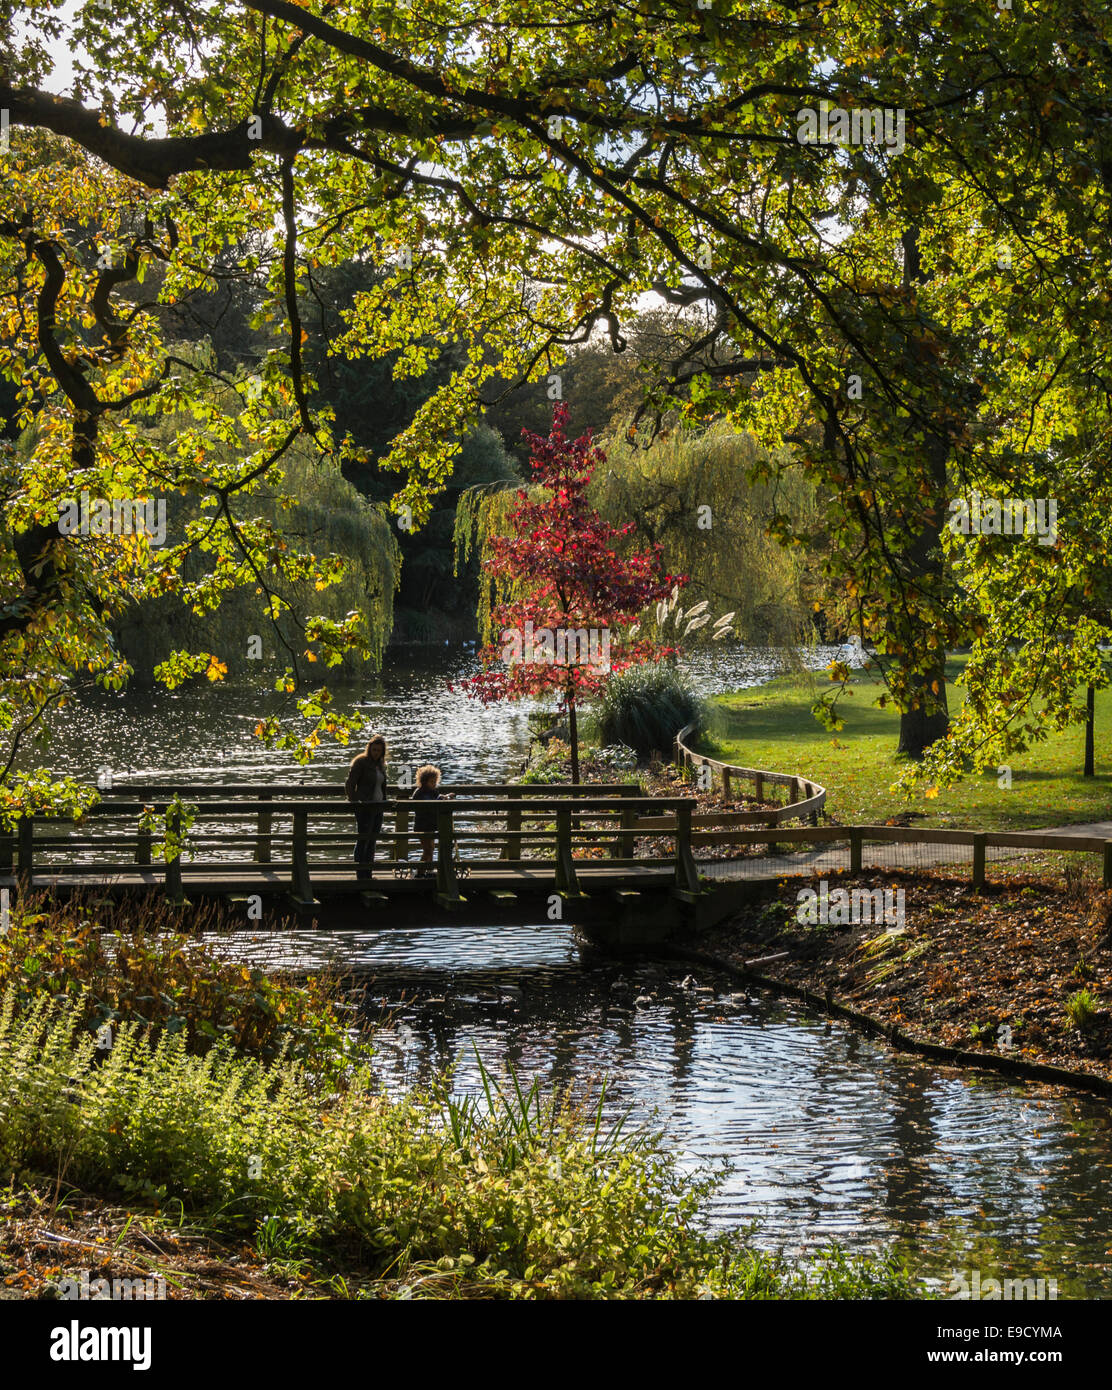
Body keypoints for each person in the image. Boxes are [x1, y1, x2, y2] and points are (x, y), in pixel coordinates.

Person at [345, 734, 389, 880]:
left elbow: (382, 786)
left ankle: (368, 873)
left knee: (373, 840)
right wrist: (354, 803)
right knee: (363, 838)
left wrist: (385, 800)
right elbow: (350, 784)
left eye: (379, 750)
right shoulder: (361, 762)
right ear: (369, 749)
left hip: (378, 807)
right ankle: (360, 873)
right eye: (374, 750)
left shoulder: (381, 765)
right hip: (364, 807)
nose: (376, 753)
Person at [411, 765, 450, 875]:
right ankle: (420, 872)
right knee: (427, 849)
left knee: (431, 848)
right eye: (431, 782)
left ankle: (429, 870)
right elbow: (429, 804)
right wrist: (441, 798)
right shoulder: (419, 793)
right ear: (424, 781)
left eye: (435, 781)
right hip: (422, 825)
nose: (433, 784)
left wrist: (444, 797)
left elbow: (436, 800)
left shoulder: (433, 791)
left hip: (431, 824)